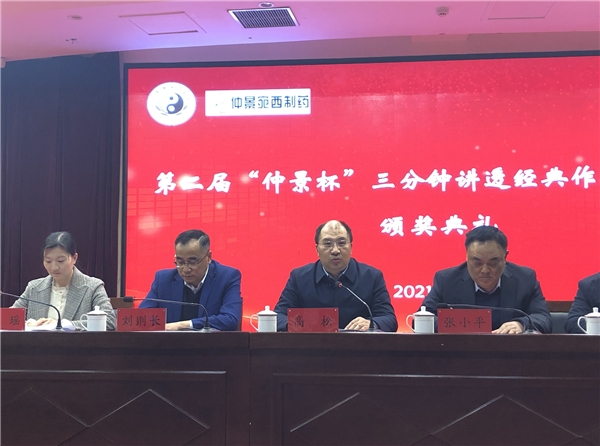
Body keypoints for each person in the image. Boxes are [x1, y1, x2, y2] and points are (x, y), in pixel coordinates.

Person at [420, 225, 552, 334]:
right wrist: (459, 326)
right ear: (467, 257)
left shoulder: (525, 279)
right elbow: (422, 318)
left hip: (511, 354)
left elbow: (543, 318)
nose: (485, 270)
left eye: (493, 263)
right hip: (463, 353)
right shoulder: (446, 280)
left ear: (505, 257)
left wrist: (521, 324)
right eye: (477, 263)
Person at [273, 220, 398, 332]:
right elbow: (278, 317)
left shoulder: (371, 277)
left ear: (351, 247)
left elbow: (389, 319)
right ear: (317, 249)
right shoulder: (299, 278)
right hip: (312, 348)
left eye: (341, 243)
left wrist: (371, 324)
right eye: (328, 244)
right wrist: (302, 324)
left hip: (358, 348)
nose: (335, 250)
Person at [140, 229, 242, 331]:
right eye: (180, 262)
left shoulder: (227, 277)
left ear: (208, 257)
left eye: (192, 262)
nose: (185, 269)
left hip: (211, 341)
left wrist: (182, 325)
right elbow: (142, 318)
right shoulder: (163, 279)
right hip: (169, 341)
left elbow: (231, 320)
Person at [11, 231, 116, 330]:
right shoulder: (34, 288)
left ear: (74, 258)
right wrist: (28, 323)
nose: (54, 267)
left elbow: (110, 322)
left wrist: (66, 325)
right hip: (38, 343)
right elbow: (9, 318)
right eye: (48, 261)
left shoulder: (93, 287)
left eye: (60, 261)